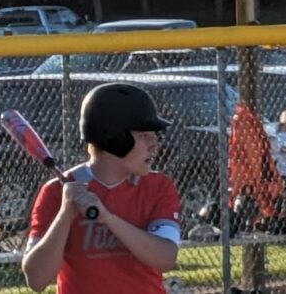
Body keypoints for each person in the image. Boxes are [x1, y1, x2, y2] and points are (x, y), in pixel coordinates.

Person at [22, 83, 180, 294]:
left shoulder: (158, 187)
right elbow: (37, 280)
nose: (154, 145)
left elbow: (165, 258)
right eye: (144, 136)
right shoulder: (56, 192)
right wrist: (65, 214)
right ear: (113, 136)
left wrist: (108, 218)